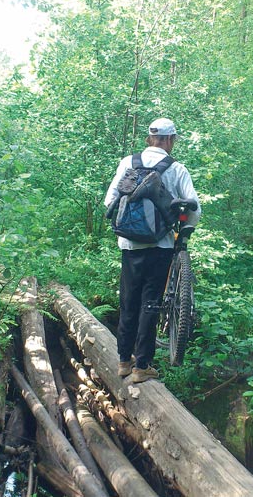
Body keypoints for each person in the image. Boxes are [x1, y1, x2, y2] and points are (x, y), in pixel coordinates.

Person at [104, 118, 201, 383]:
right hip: (160, 246)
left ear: (150, 138)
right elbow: (194, 209)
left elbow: (109, 200)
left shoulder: (128, 162)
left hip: (129, 245)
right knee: (150, 303)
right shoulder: (176, 168)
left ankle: (124, 361)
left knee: (128, 301)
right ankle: (142, 366)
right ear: (170, 140)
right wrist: (185, 232)